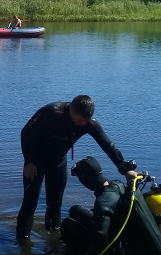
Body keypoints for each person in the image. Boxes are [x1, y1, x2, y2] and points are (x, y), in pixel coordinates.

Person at [16, 95, 138, 242]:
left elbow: (108, 145)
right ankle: (22, 244)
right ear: (71, 109)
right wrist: (29, 161)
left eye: (85, 121)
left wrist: (125, 169)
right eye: (79, 119)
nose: (81, 124)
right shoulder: (53, 112)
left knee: (55, 205)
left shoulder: (88, 123)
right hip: (35, 162)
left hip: (58, 162)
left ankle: (53, 239)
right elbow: (26, 132)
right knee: (30, 203)